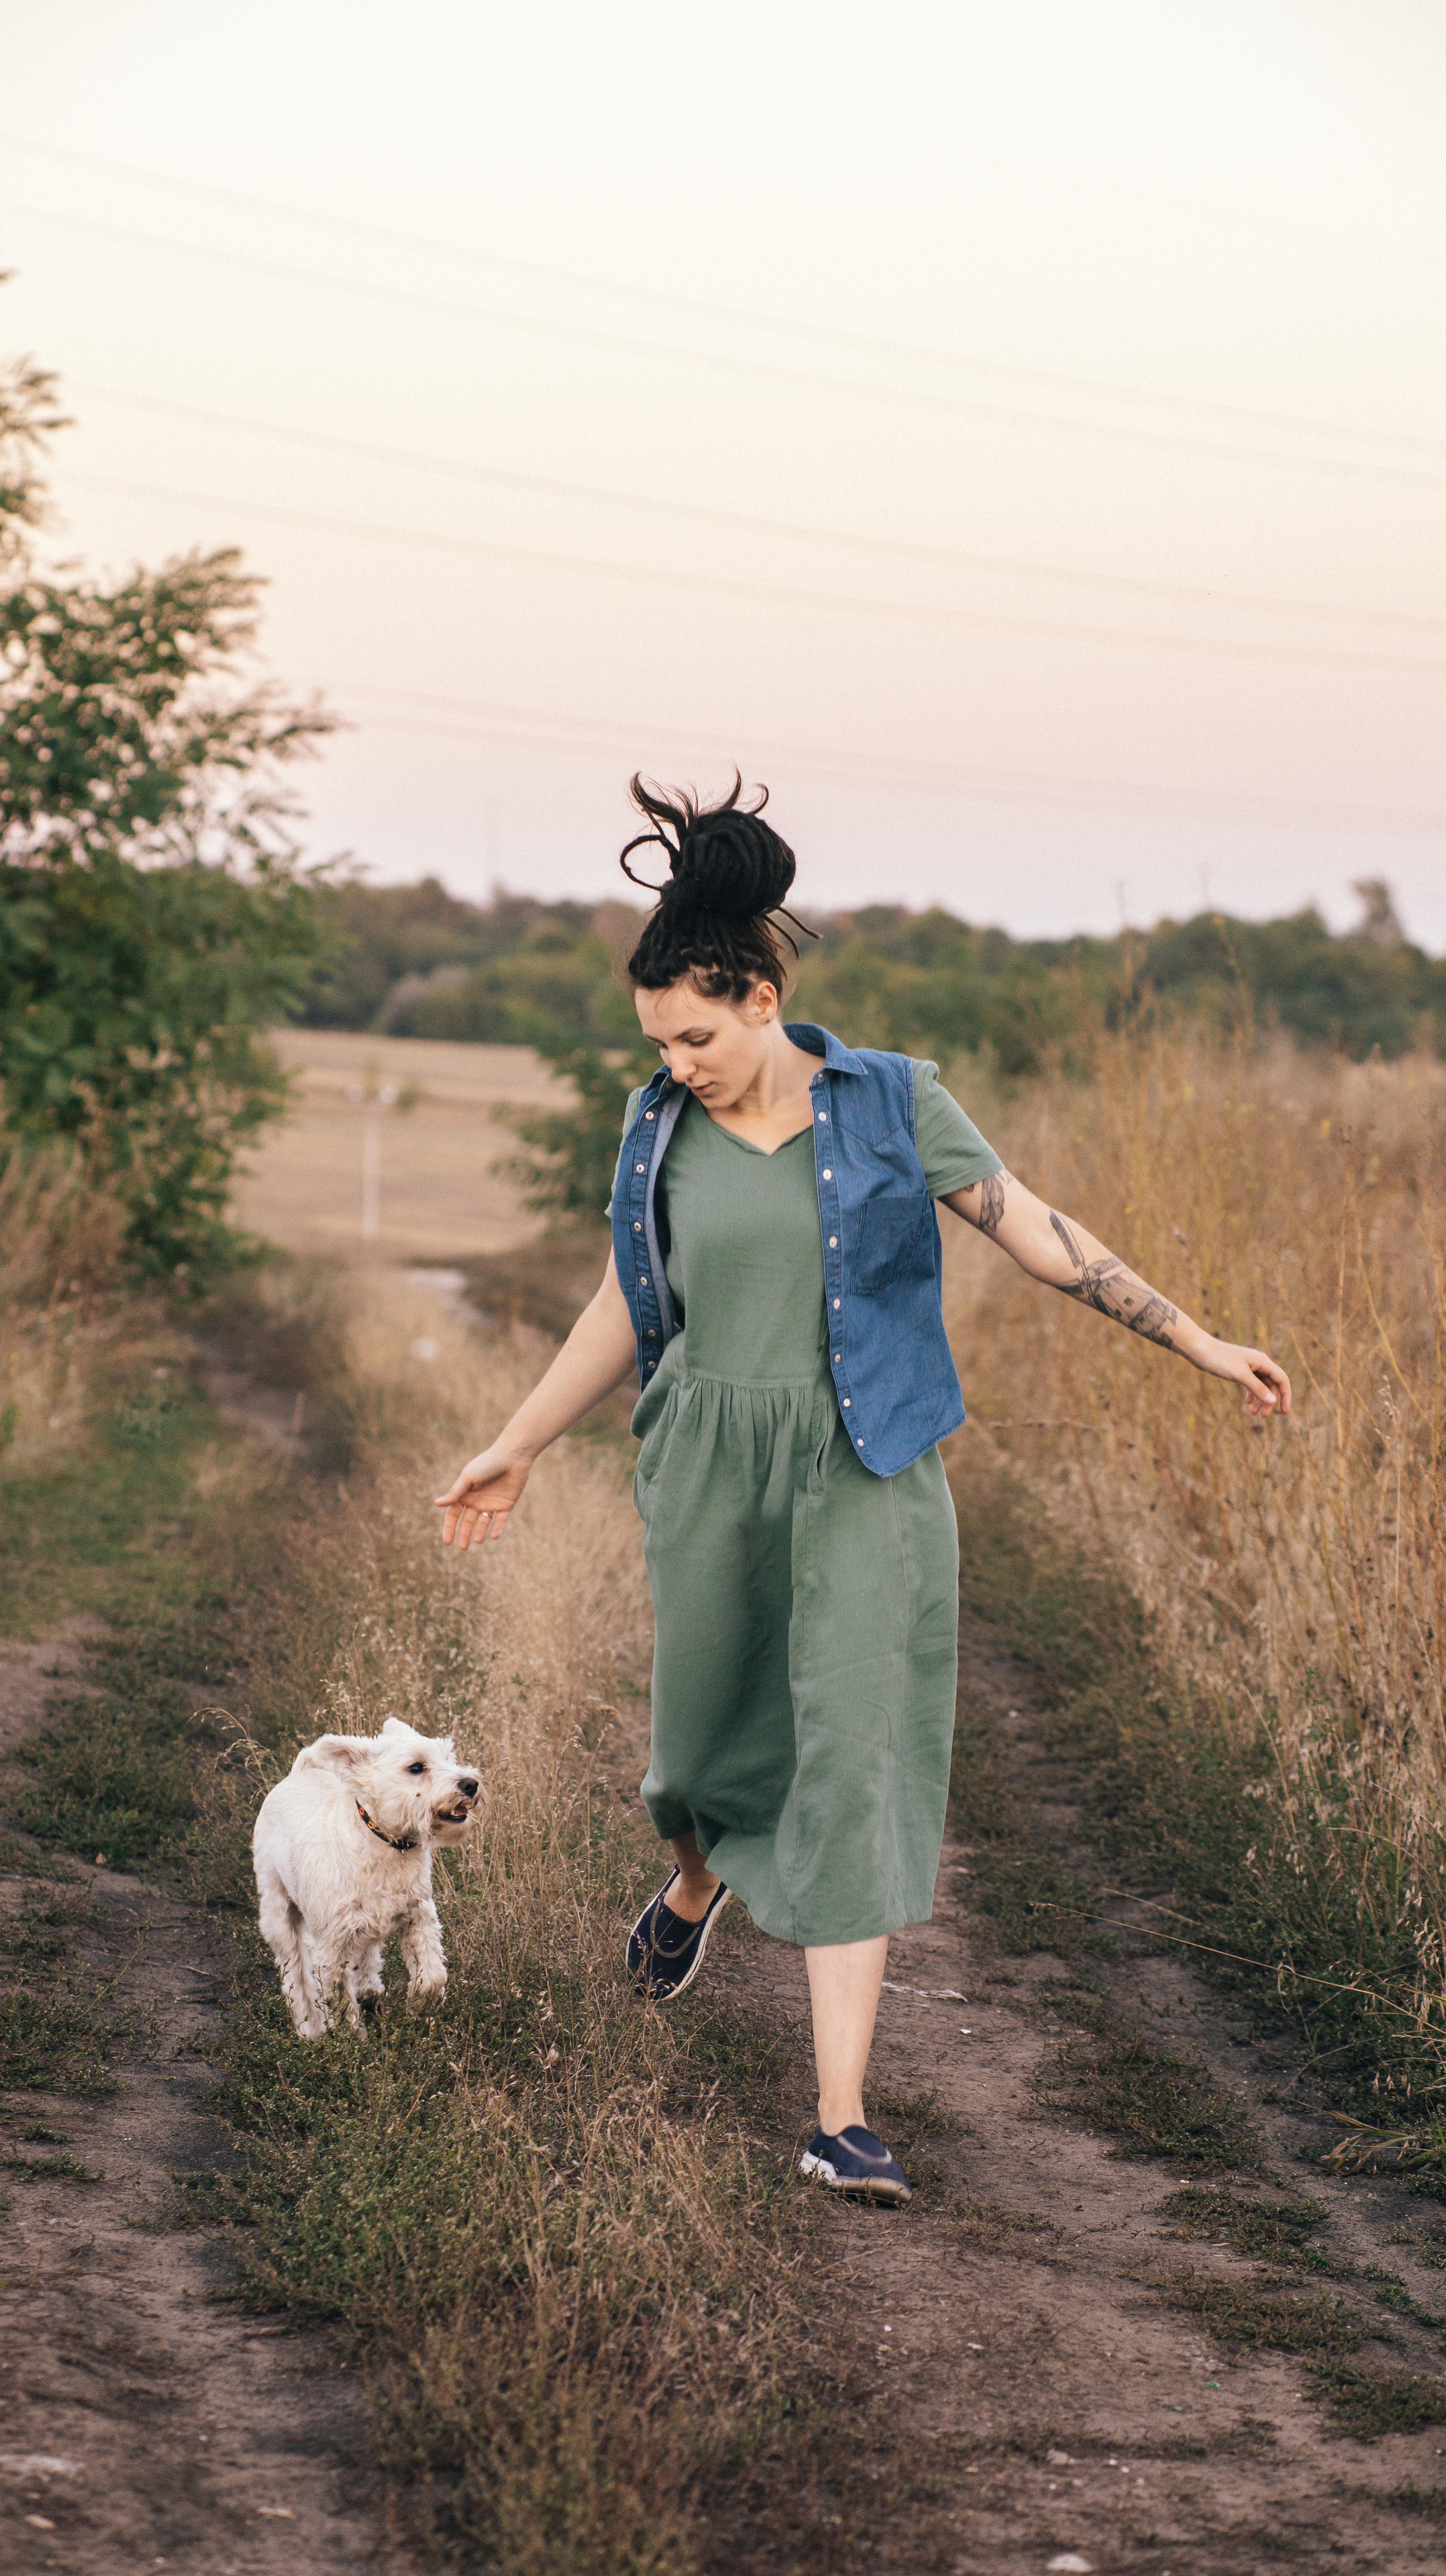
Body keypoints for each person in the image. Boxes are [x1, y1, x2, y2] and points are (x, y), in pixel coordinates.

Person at [436, 776, 1291, 2206]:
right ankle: (695, 1881)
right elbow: (622, 1306)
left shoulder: (894, 1102)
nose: (675, 1062)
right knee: (697, 1761)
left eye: (695, 1035)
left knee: (854, 1764)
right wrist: (516, 1442)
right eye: (656, 1040)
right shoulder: (655, 1131)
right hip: (707, 1459)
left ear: (761, 998)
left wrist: (1195, 1339)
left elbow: (1032, 1232)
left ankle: (839, 2116)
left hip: (867, 1465)